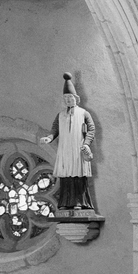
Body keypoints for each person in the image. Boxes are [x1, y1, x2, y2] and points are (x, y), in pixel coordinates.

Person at [40, 72, 96, 211]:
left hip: (78, 148)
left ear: (76, 98)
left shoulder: (83, 113)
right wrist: (49, 138)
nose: (68, 100)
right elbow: (55, 129)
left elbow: (91, 129)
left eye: (70, 97)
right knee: (65, 175)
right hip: (65, 149)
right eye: (65, 98)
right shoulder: (60, 115)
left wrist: (86, 144)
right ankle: (65, 202)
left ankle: (80, 202)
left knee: (78, 175)